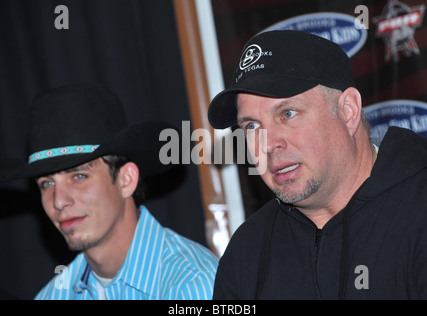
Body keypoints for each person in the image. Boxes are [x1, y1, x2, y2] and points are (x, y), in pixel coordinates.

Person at [208, 30, 427, 299]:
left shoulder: (418, 211)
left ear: (348, 111)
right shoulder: (247, 252)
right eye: (252, 126)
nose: (267, 144)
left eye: (288, 113)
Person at [0, 82, 218, 300]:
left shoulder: (192, 286)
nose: (59, 201)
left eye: (78, 176)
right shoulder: (54, 296)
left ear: (126, 179)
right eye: (46, 184)